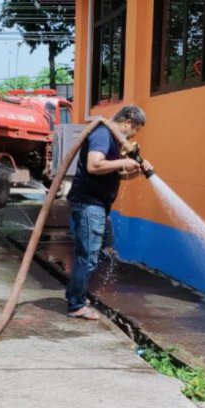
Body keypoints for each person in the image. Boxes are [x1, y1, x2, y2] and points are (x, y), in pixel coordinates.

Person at [65, 105, 153, 320]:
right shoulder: (103, 134)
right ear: (128, 122)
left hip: (96, 206)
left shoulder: (110, 139)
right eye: (136, 130)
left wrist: (134, 171)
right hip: (89, 204)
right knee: (88, 258)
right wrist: (124, 161)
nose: (133, 136)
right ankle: (75, 305)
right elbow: (94, 166)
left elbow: (112, 174)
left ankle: (76, 295)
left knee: (94, 253)